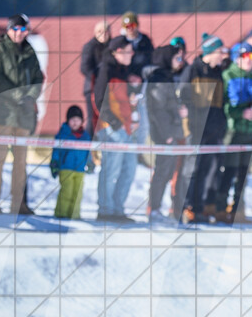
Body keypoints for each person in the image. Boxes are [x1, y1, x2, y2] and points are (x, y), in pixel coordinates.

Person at [0, 14, 44, 215]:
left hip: (24, 114)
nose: (19, 34)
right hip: (3, 112)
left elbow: (38, 77)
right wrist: (19, 96)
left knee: (21, 161)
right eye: (16, 29)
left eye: (23, 30)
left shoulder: (30, 51)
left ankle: (18, 204)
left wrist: (30, 98)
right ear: (9, 30)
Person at [180, 33, 228, 223]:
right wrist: (192, 122)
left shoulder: (218, 73)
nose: (222, 56)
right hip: (196, 129)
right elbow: (183, 97)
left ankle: (199, 207)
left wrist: (220, 127)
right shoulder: (193, 71)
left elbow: (220, 104)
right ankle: (186, 206)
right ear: (209, 52)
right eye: (219, 52)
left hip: (213, 131)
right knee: (192, 169)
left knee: (206, 170)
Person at [216, 42, 252, 224]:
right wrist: (240, 113)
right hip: (232, 131)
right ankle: (220, 208)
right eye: (245, 57)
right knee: (228, 171)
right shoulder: (227, 76)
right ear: (237, 58)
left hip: (250, 133)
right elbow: (225, 105)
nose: (249, 61)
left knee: (243, 174)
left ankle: (238, 210)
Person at [94, 36, 142, 223]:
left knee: (129, 169)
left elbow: (127, 98)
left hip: (127, 128)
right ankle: (105, 210)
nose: (132, 54)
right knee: (110, 169)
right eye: (129, 51)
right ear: (118, 52)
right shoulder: (106, 70)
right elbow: (99, 99)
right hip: (111, 129)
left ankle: (117, 209)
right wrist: (115, 123)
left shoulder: (124, 71)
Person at [143, 43, 186, 220]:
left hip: (171, 132)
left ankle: (158, 208)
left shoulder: (167, 76)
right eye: (178, 57)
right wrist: (167, 134)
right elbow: (158, 110)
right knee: (162, 171)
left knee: (168, 171)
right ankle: (154, 208)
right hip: (164, 135)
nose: (181, 61)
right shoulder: (159, 78)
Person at [50, 105, 90, 219]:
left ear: (82, 121)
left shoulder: (85, 136)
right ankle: (61, 213)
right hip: (66, 167)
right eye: (73, 120)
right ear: (68, 120)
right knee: (66, 191)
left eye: (78, 120)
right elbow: (56, 151)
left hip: (80, 169)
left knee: (77, 193)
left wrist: (90, 163)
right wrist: (54, 164)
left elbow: (88, 151)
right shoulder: (63, 134)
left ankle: (74, 215)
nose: (75, 123)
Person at [80, 20, 110, 138]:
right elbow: (84, 68)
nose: (103, 34)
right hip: (92, 88)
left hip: (109, 89)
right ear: (95, 33)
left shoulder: (112, 46)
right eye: (100, 32)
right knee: (93, 120)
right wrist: (99, 78)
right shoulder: (90, 47)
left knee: (108, 119)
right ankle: (87, 150)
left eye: (106, 31)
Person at [119, 12, 153, 78]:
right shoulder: (120, 42)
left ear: (137, 25)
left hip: (143, 77)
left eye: (132, 25)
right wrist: (128, 76)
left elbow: (151, 58)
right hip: (125, 78)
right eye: (127, 26)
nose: (130, 29)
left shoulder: (145, 40)